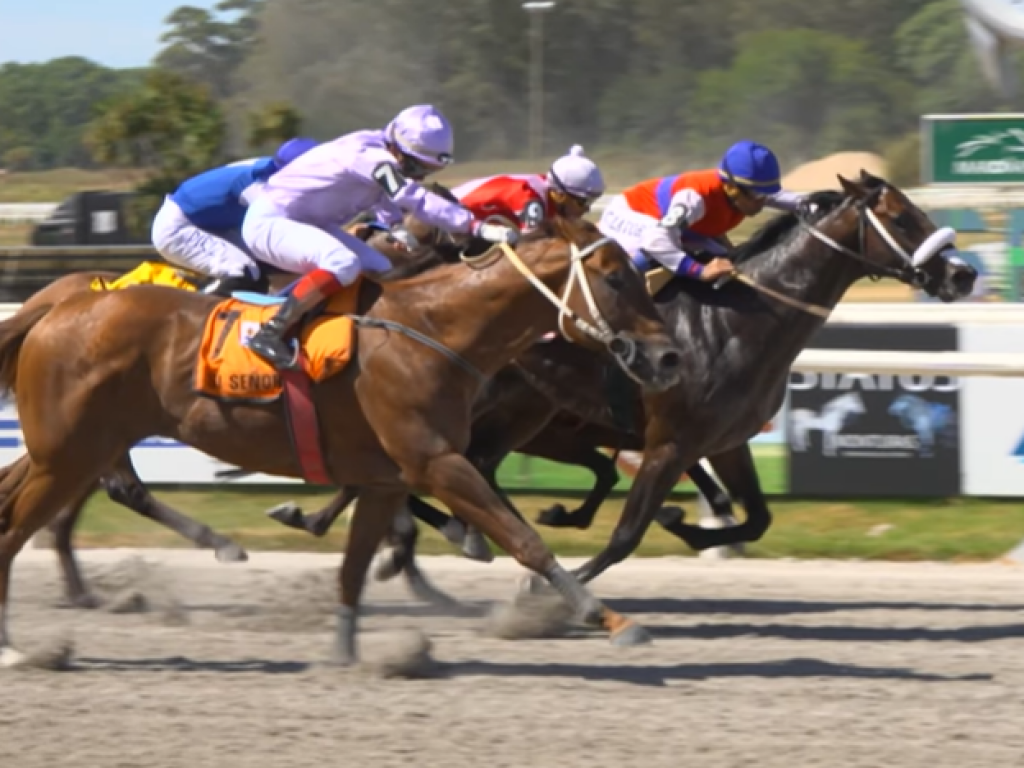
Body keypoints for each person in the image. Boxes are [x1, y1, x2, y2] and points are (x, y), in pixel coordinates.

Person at [241, 104, 518, 370]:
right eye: (416, 168)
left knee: (381, 268)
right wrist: (474, 226)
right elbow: (412, 197)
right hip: (271, 222)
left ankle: (349, 333)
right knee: (342, 263)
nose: (419, 176)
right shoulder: (368, 156)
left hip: (308, 222)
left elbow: (376, 192)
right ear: (398, 149)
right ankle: (271, 332)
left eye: (428, 171)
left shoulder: (381, 150)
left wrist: (395, 224)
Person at [598, 140, 809, 282]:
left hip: (682, 230)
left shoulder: (747, 190)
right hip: (630, 216)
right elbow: (656, 241)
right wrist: (700, 271)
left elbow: (792, 199)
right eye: (756, 195)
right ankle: (616, 297)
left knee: (731, 260)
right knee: (657, 251)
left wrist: (829, 203)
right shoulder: (693, 199)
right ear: (730, 186)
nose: (762, 202)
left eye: (766, 194)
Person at [151, 138, 320, 295]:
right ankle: (195, 313)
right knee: (243, 272)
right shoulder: (259, 187)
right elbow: (278, 230)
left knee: (260, 275)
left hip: (206, 224)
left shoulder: (273, 168)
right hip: (178, 229)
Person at [452, 145, 606, 232]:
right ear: (560, 195)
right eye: (582, 202)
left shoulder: (549, 189)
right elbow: (532, 251)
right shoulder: (530, 200)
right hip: (448, 219)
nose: (587, 209)